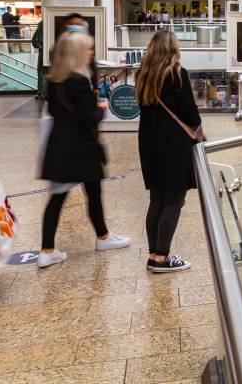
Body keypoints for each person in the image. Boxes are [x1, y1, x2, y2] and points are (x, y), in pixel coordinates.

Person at [38, 32, 130, 268]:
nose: (91, 53)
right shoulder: (78, 81)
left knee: (59, 197)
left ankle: (49, 248)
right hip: (81, 149)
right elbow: (89, 118)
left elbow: (58, 112)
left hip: (60, 148)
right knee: (92, 193)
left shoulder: (55, 80)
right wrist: (101, 107)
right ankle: (102, 237)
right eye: (88, 49)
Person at [137, 29, 202, 272]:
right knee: (174, 200)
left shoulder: (143, 75)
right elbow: (189, 112)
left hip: (149, 144)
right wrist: (199, 131)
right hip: (174, 145)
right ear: (173, 48)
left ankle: (154, 253)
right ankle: (162, 258)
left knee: (157, 199)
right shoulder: (177, 74)